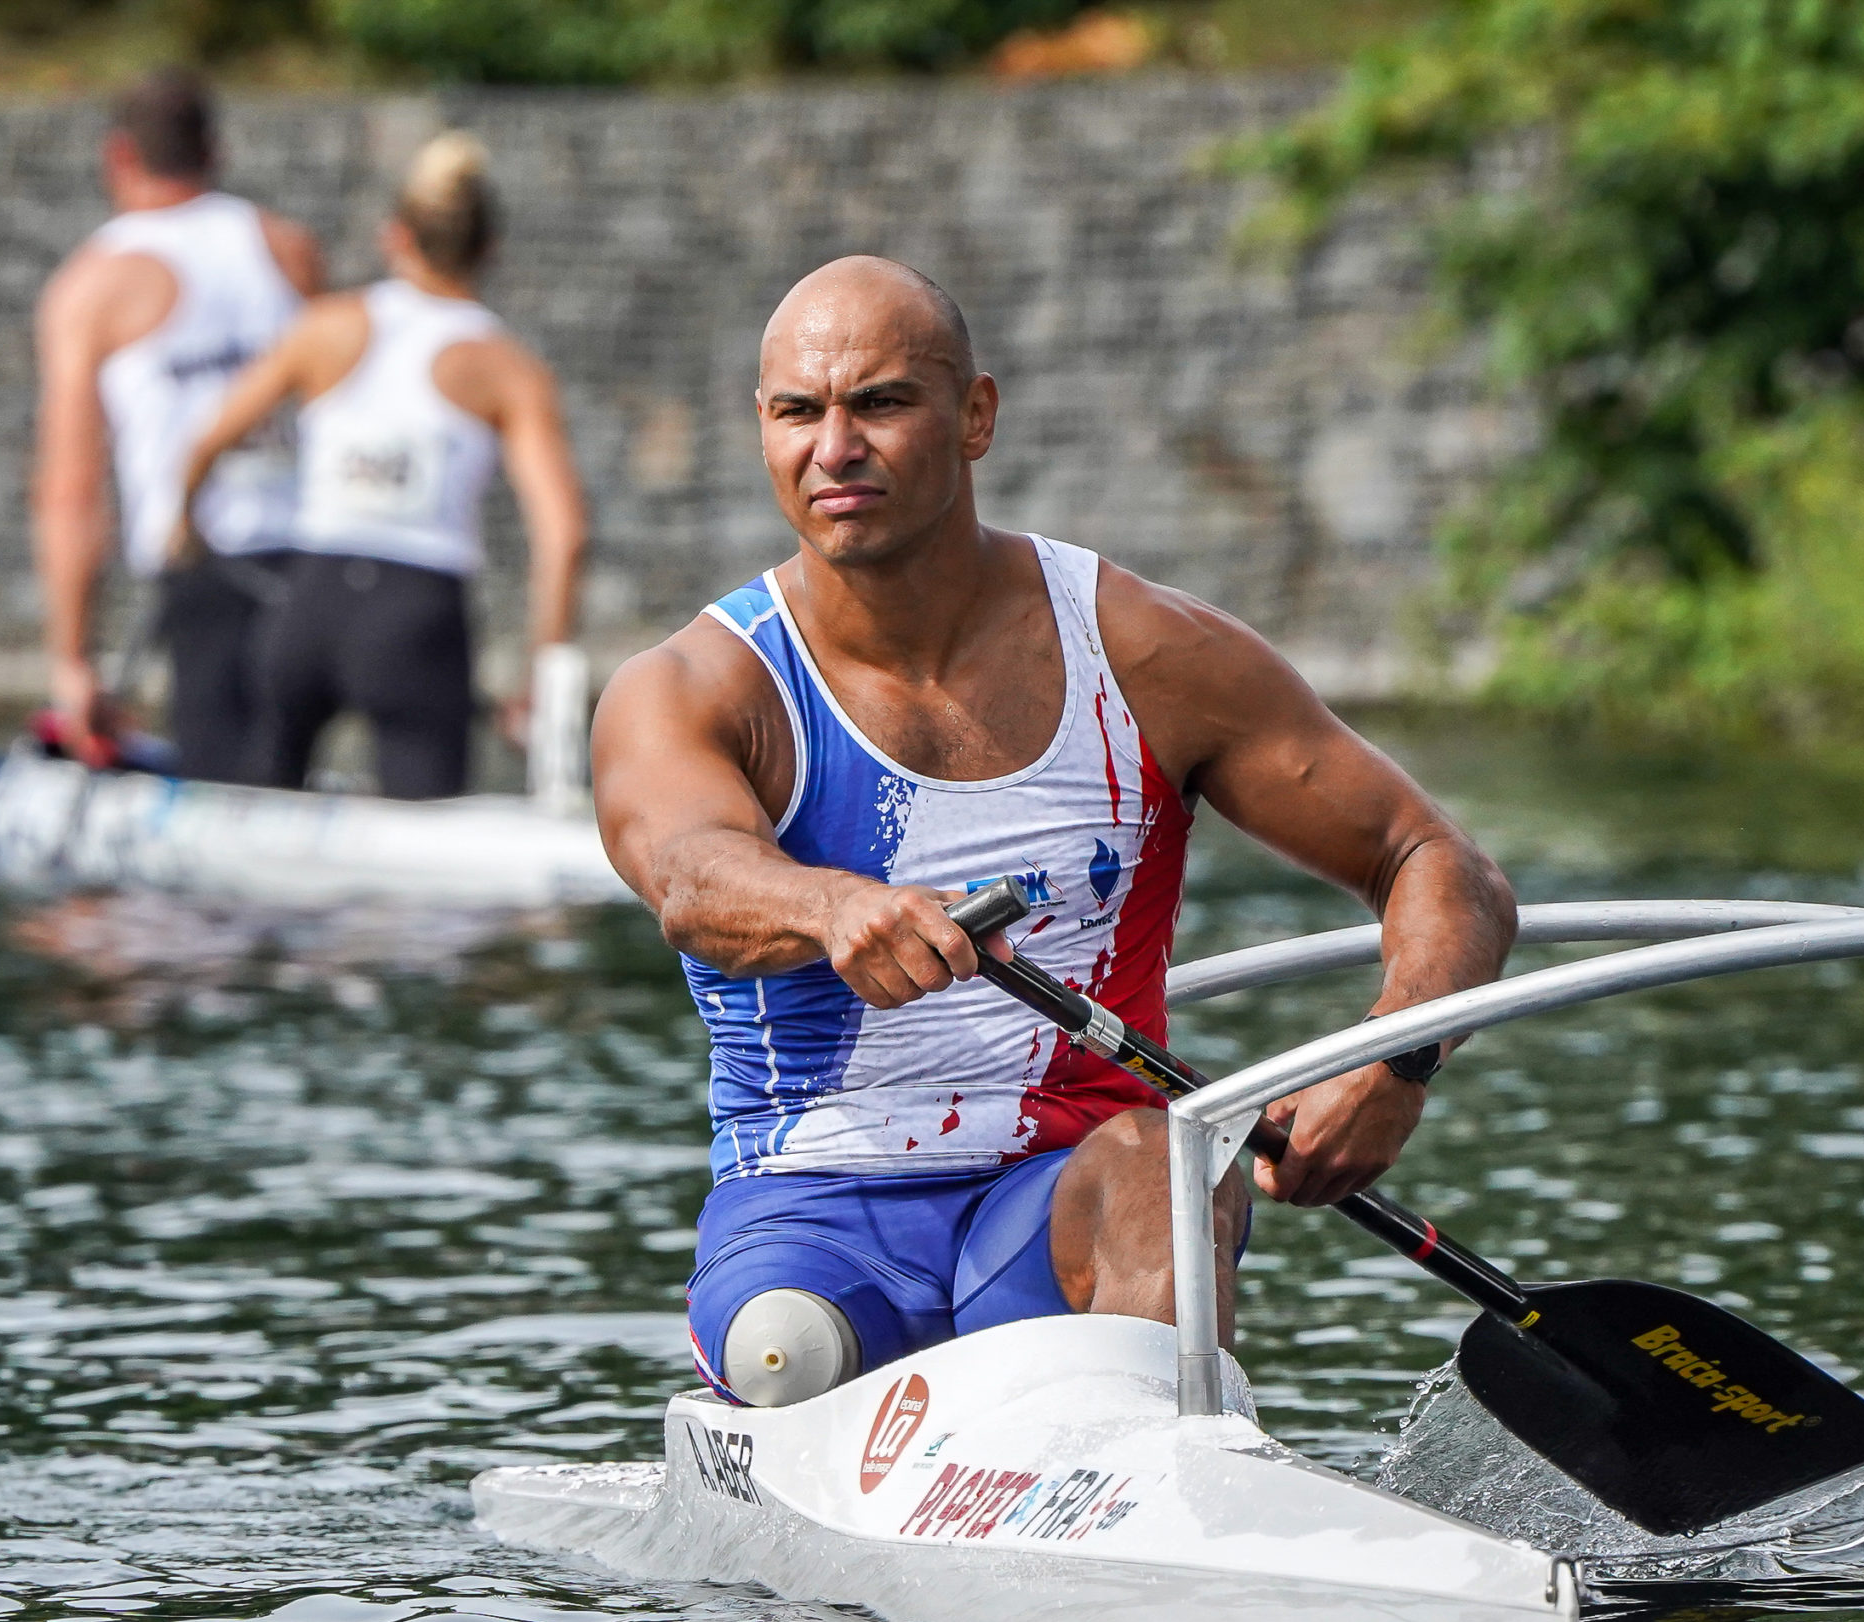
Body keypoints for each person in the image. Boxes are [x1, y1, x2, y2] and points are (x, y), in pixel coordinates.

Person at [591, 255, 1517, 1408]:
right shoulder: (691, 687)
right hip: (815, 1203)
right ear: (764, 430)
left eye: (879, 402)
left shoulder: (1145, 654)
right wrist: (830, 905)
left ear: (975, 415)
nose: (834, 447)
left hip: (1071, 1189)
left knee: (1169, 1166)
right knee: (786, 1350)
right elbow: (689, 878)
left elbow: (1439, 863)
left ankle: (1159, 1476)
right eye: (798, 412)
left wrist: (1394, 1057)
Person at [177, 132, 587, 800]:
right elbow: (564, 536)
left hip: (308, 605)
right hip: (416, 619)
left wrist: (183, 527)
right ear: (489, 250)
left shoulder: (324, 327)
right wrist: (539, 675)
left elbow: (203, 444)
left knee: (259, 817)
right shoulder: (508, 369)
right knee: (429, 850)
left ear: (393, 236)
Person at [32, 68, 325, 779]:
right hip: (321, 564)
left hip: (206, 567)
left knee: (229, 801)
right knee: (284, 774)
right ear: (214, 151)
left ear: (118, 156)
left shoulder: (93, 286)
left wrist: (73, 662)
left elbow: (72, 487)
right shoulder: (288, 249)